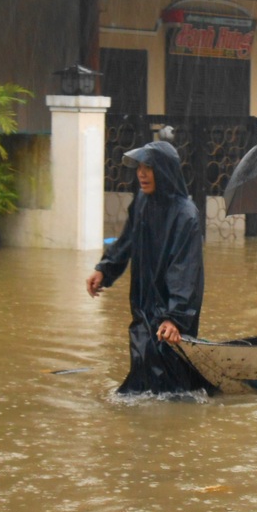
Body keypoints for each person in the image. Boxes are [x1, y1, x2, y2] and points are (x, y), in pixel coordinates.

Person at [85, 141, 210, 394]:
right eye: (139, 167)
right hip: (142, 303)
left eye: (148, 168)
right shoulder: (142, 202)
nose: (141, 174)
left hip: (171, 312)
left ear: (163, 171)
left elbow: (185, 270)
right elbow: (127, 240)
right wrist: (104, 270)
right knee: (142, 362)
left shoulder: (185, 215)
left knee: (171, 377)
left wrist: (175, 317)